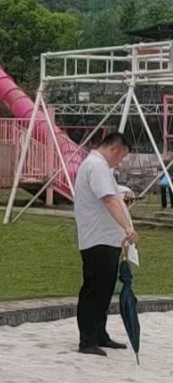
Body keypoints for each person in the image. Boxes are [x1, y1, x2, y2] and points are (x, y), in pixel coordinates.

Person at [73, 130, 137, 356]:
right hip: (97, 239)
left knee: (104, 289)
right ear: (113, 149)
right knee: (94, 288)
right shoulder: (97, 166)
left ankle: (100, 333)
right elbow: (109, 199)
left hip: (106, 239)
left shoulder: (99, 166)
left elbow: (112, 196)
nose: (120, 162)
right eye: (121, 156)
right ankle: (87, 339)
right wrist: (128, 227)